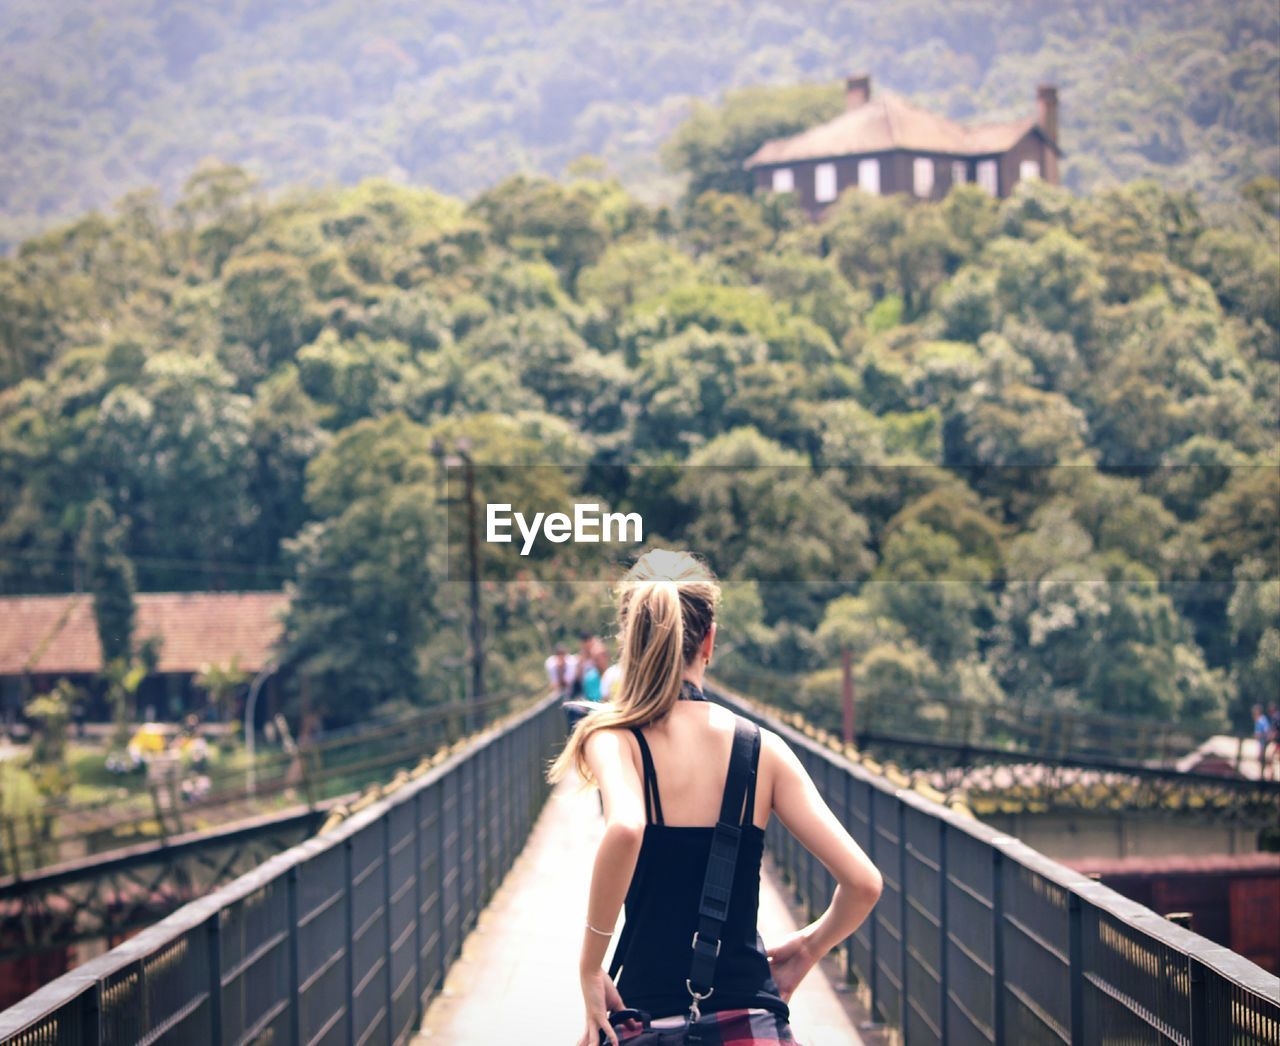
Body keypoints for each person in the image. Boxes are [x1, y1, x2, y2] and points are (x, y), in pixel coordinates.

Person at [548, 550, 883, 1046]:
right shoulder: (761, 749)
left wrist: (590, 967)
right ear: (709, 640)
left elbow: (625, 828)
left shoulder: (615, 738)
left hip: (648, 1019)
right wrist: (809, 947)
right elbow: (863, 883)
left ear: (630, 644)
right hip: (751, 1021)